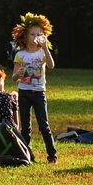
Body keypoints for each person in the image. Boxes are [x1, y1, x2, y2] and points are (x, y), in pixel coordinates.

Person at [12, 13, 57, 163]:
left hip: (39, 93)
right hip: (24, 92)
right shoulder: (20, 54)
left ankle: (52, 155)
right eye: (32, 34)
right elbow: (13, 77)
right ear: (25, 36)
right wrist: (19, 73)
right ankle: (26, 155)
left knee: (44, 125)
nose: (35, 37)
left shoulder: (42, 52)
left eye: (39, 34)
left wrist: (45, 48)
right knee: (26, 127)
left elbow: (51, 65)